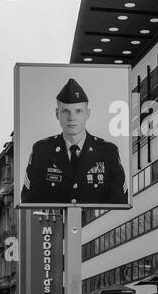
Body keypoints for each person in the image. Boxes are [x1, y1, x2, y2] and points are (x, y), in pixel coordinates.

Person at [20, 77, 127, 205]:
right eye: (66, 111)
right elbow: (29, 201)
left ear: (87, 114)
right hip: (56, 224)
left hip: (96, 224)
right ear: (56, 114)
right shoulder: (42, 151)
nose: (72, 118)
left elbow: (120, 202)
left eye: (78, 111)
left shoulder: (108, 152)